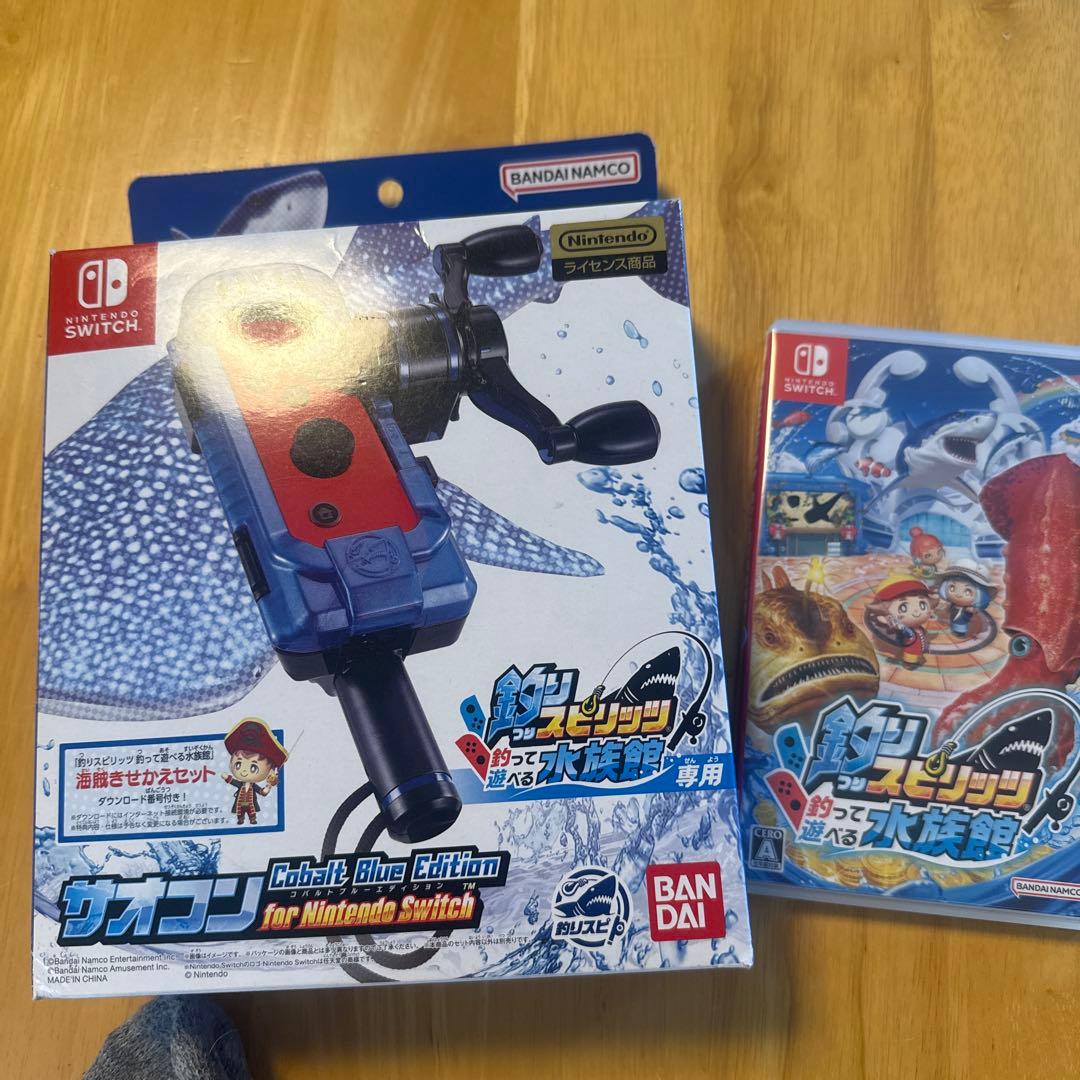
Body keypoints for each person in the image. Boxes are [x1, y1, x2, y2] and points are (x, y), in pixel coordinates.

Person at [865, 572, 934, 667]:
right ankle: (909, 663)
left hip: (918, 650)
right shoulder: (908, 631)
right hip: (911, 653)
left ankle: (915, 659)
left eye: (922, 605)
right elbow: (901, 628)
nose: (916, 612)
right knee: (911, 659)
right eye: (903, 607)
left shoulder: (918, 629)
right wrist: (889, 621)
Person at [935, 559, 996, 638]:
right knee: (953, 619)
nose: (958, 595)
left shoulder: (969, 607)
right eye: (952, 588)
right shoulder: (953, 603)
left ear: (980, 594)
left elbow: (975, 610)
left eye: (967, 592)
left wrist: (973, 609)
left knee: (961, 622)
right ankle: (955, 628)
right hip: (954, 614)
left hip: (963, 617)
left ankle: (960, 632)